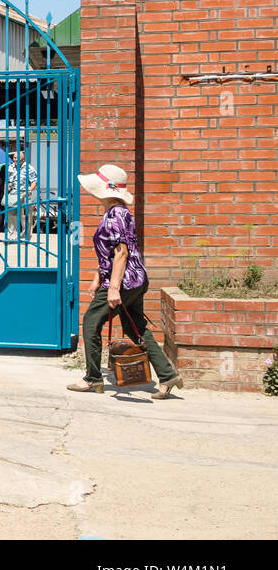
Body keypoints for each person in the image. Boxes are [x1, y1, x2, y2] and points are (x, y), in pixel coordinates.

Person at [68, 165, 184, 399]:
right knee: (135, 326)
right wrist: (96, 278)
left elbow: (121, 253)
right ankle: (167, 375)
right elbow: (109, 253)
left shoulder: (116, 215)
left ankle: (92, 378)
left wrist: (112, 288)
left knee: (91, 321)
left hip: (124, 282)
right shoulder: (117, 213)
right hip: (135, 279)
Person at [4, 148, 38, 241]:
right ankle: (12, 236)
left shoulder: (29, 168)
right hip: (13, 193)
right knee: (11, 215)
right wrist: (5, 194)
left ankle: (25, 236)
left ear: (23, 159)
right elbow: (7, 181)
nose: (15, 159)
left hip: (24, 194)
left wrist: (29, 190)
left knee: (26, 216)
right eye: (14, 157)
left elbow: (34, 182)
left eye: (17, 158)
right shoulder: (10, 167)